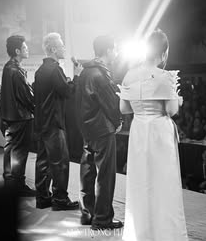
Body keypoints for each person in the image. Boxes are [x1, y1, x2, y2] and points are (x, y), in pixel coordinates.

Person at [119, 29, 188, 240]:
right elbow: (170, 110)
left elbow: (124, 109)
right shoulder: (164, 76)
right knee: (163, 182)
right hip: (159, 131)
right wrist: (178, 101)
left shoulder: (130, 74)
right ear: (164, 52)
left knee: (141, 182)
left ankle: (141, 233)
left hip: (139, 129)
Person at [75, 35, 123, 230]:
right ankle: (102, 218)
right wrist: (118, 121)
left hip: (87, 128)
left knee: (87, 171)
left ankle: (88, 213)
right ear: (109, 50)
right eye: (116, 49)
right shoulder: (101, 74)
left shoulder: (85, 72)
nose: (117, 53)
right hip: (102, 129)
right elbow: (111, 103)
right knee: (105, 174)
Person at [33, 32, 80, 210]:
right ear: (53, 49)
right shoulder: (55, 69)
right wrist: (76, 76)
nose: (64, 48)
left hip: (42, 122)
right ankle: (60, 200)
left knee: (43, 162)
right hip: (54, 122)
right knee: (60, 163)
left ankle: (42, 197)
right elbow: (67, 92)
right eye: (61, 45)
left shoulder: (40, 71)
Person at [0, 35, 36, 197]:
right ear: (17, 51)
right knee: (20, 152)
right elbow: (27, 97)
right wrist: (37, 108)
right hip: (21, 117)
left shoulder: (8, 68)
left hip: (10, 116)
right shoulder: (16, 71)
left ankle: (10, 183)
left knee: (10, 150)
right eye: (25, 48)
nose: (27, 50)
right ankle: (18, 185)